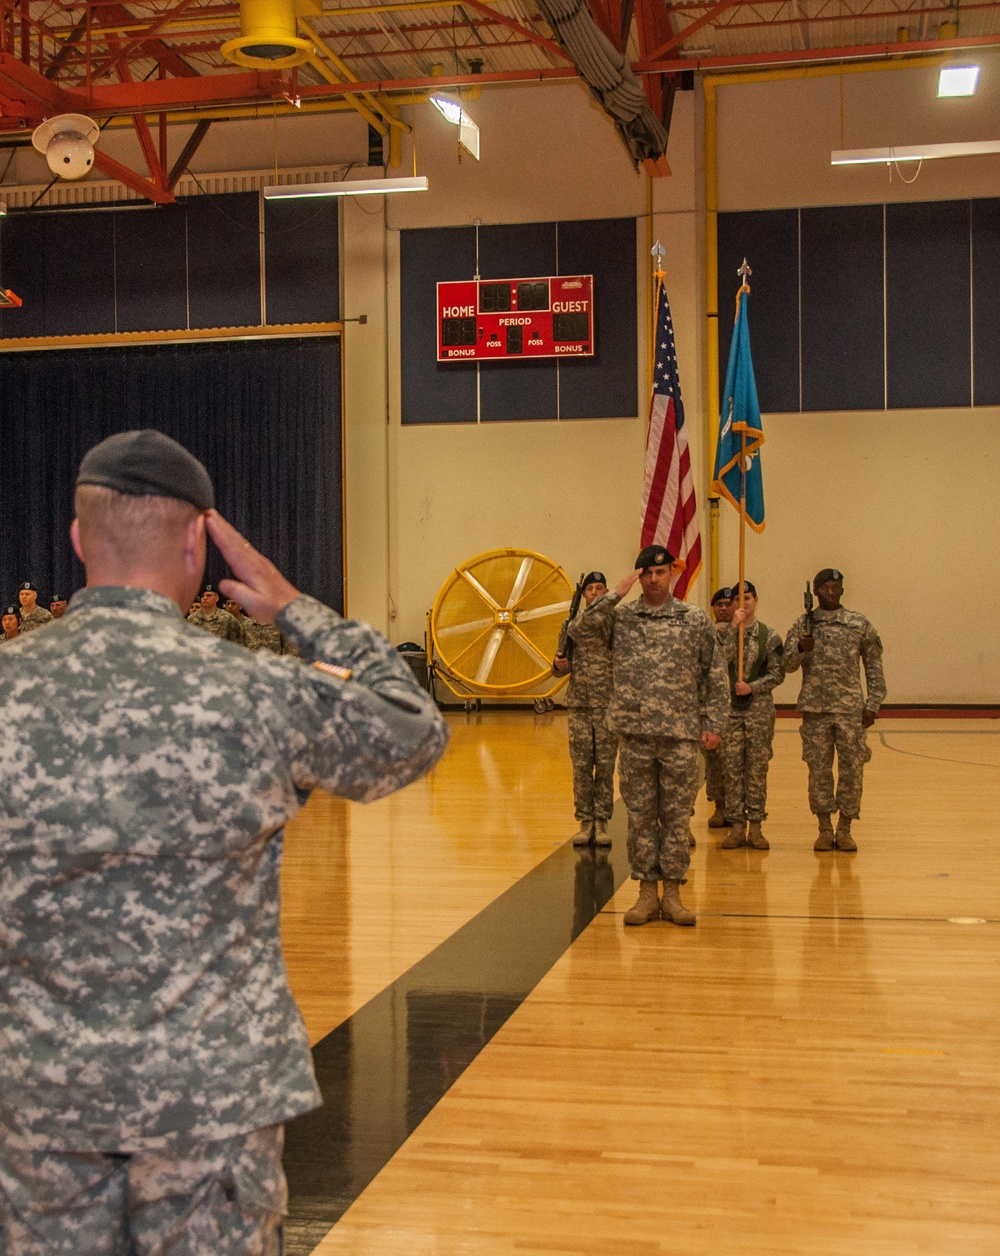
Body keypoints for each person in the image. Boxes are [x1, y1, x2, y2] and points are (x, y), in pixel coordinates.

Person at [0, 429, 449, 1253]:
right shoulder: (251, 691)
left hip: (40, 1105)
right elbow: (411, 729)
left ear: (76, 539)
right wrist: (294, 609)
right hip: (208, 1107)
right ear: (196, 541)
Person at [583, 545, 727, 926]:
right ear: (639, 576)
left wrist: (714, 721)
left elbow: (715, 672)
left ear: (671, 575)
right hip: (634, 735)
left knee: (677, 818)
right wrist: (615, 592)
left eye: (660, 572)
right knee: (641, 818)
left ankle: (675, 895)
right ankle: (647, 894)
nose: (653, 579)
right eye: (646, 573)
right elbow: (580, 631)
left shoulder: (693, 619)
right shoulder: (622, 618)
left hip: (681, 735)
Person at [783, 567, 886, 852]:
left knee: (852, 769)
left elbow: (874, 665)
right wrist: (802, 648)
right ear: (815, 592)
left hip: (850, 710)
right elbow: (786, 665)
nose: (831, 592)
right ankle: (825, 828)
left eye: (835, 587)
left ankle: (845, 828)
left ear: (842, 590)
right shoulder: (804, 624)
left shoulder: (858, 624)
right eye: (825, 588)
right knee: (818, 771)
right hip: (815, 710)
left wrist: (873, 703)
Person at [716, 581, 784, 850]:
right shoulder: (723, 633)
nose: (742, 603)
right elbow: (718, 663)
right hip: (729, 711)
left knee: (756, 769)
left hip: (758, 711)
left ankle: (755, 826)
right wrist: (733, 629)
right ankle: (735, 827)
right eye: (737, 599)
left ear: (756, 600)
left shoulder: (769, 635)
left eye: (747, 598)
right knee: (731, 769)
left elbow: (778, 673)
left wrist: (752, 687)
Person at [553, 571, 617, 847]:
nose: (593, 592)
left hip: (607, 704)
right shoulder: (570, 625)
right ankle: (585, 820)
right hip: (579, 704)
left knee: (604, 765)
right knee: (581, 766)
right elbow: (557, 667)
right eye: (589, 588)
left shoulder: (615, 625)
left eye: (599, 588)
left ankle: (601, 820)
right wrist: (559, 665)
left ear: (606, 592)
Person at [704, 586, 734, 828]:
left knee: (734, 763)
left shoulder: (748, 631)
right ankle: (719, 806)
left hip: (741, 707)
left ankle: (737, 810)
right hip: (710, 706)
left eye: (728, 603)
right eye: (719, 605)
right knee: (713, 764)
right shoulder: (706, 632)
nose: (724, 608)